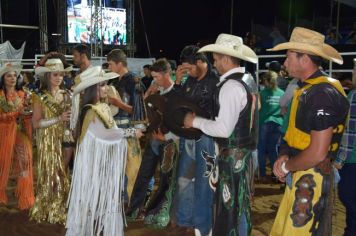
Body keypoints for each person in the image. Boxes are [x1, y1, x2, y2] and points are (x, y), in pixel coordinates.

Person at [269, 27, 349, 236]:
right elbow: (295, 133)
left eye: (288, 57)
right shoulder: (310, 89)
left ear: (304, 59)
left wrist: (286, 166)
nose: (285, 63)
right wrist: (285, 154)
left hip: (311, 177)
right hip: (304, 173)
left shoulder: (321, 93)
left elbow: (317, 153)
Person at [184, 33, 259, 236]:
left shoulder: (231, 86)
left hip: (233, 155)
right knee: (239, 204)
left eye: (216, 59)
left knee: (230, 206)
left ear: (226, 59)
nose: (215, 64)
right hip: (244, 153)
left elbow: (224, 129)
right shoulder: (248, 80)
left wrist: (195, 122)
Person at [66, 66, 143, 236]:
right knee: (91, 198)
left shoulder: (101, 107)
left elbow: (111, 131)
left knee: (105, 198)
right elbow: (106, 134)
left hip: (103, 163)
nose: (106, 88)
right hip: (93, 165)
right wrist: (130, 132)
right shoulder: (90, 111)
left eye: (105, 84)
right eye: (101, 85)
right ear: (92, 89)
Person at [126, 59, 179, 230]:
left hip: (168, 143)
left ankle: (158, 213)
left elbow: (181, 122)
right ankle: (134, 210)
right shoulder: (156, 91)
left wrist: (168, 137)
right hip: (153, 139)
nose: (155, 80)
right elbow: (141, 111)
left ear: (166, 74)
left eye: (156, 77)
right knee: (144, 174)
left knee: (165, 179)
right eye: (153, 77)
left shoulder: (177, 93)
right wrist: (149, 92)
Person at [172, 45, 218, 236]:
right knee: (184, 179)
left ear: (201, 62)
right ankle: (184, 220)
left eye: (189, 67)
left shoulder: (216, 82)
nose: (187, 71)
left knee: (204, 182)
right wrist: (177, 81)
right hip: (188, 137)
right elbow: (176, 105)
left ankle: (201, 226)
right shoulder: (188, 82)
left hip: (207, 138)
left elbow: (218, 115)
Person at [30, 58, 73, 224]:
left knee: (62, 173)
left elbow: (70, 119)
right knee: (50, 173)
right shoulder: (39, 97)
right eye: (55, 74)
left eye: (61, 75)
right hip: (47, 141)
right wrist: (58, 119)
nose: (59, 78)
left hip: (64, 139)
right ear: (47, 76)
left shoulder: (67, 94)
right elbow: (36, 124)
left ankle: (61, 204)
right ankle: (48, 206)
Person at [106, 48, 142, 203]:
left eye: (110, 64)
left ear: (119, 63)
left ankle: (134, 201)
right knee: (115, 166)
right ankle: (119, 198)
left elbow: (139, 110)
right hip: (114, 129)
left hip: (129, 128)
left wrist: (118, 103)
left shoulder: (134, 80)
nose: (109, 68)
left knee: (133, 166)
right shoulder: (113, 81)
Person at [0, 63, 35, 210]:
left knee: (26, 158)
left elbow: (26, 114)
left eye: (15, 75)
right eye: (9, 75)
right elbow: (2, 116)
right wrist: (16, 113)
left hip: (19, 132)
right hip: (3, 132)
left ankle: (24, 193)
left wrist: (27, 113)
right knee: (2, 163)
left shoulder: (23, 94)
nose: (12, 78)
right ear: (3, 78)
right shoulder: (1, 96)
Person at [335, 58, 356, 236]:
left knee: (348, 197)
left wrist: (340, 159)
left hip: (353, 160)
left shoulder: (354, 96)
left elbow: (350, 131)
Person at [258, 71, 284, 182]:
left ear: (265, 80)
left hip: (264, 122)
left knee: (262, 150)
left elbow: (258, 108)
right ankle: (275, 174)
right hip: (278, 123)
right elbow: (284, 110)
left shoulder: (262, 93)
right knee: (273, 149)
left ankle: (262, 175)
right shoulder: (282, 93)